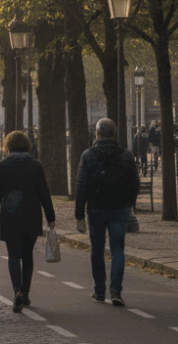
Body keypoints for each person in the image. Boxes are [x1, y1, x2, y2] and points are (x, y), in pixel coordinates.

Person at [74, 117, 140, 306]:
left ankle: (99, 290)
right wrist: (130, 204)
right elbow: (135, 183)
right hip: (120, 208)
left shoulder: (88, 155)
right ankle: (116, 291)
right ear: (115, 133)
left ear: (97, 133)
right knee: (118, 250)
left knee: (97, 249)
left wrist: (79, 214)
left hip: (96, 208)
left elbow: (81, 186)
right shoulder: (126, 155)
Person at [0, 131, 55, 313]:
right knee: (27, 256)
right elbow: (44, 193)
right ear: (27, 145)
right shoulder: (35, 166)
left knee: (13, 256)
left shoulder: (2, 166)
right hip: (31, 215)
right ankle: (25, 293)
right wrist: (51, 217)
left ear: (7, 146)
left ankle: (16, 290)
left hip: (10, 215)